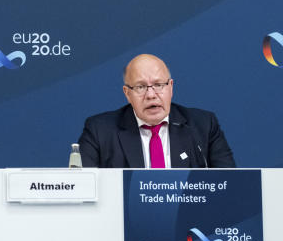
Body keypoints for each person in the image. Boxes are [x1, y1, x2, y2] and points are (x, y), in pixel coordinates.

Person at [77, 54, 235, 168]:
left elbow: (228, 183)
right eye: (140, 87)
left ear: (171, 87)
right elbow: (84, 187)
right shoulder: (100, 130)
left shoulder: (203, 125)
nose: (151, 95)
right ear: (127, 93)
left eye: (159, 85)